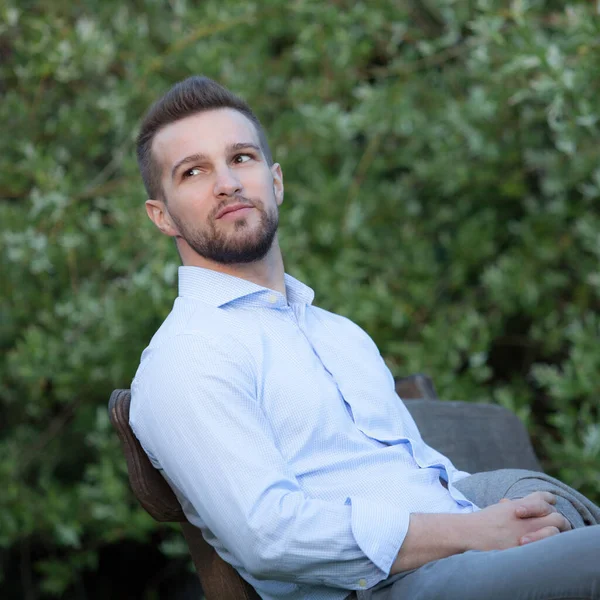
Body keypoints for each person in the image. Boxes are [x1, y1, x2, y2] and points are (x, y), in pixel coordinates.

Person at [130, 76, 600, 600]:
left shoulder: (338, 334)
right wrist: (475, 532)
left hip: (467, 560)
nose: (227, 183)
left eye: (241, 158)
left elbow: (424, 476)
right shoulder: (188, 356)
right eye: (194, 171)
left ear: (276, 181)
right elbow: (270, 538)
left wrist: (512, 514)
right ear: (162, 216)